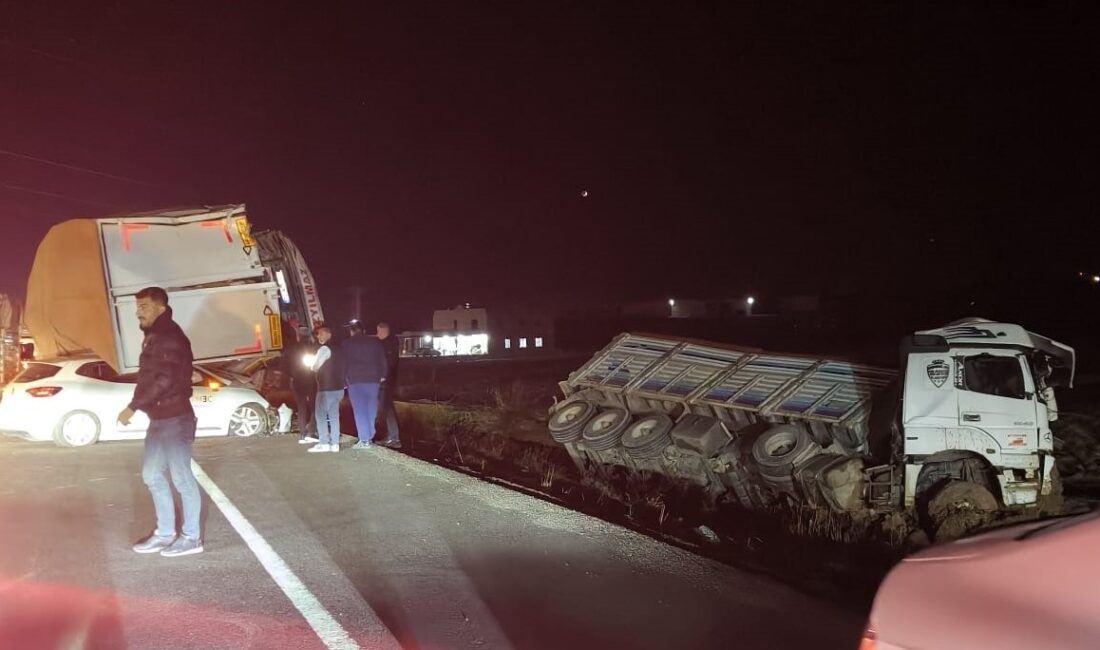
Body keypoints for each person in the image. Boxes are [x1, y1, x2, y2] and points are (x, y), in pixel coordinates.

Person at [119, 287, 203, 558]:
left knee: (181, 477)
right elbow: (147, 377)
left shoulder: (170, 337)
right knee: (152, 475)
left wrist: (133, 407)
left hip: (175, 418)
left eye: (144, 306)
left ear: (161, 308)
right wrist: (140, 403)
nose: (138, 312)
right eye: (138, 307)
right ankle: (165, 533)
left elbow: (164, 379)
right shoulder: (156, 336)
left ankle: (191, 538)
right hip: (159, 419)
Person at [341, 322, 388, 449]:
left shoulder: (346, 344)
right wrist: (383, 374)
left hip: (355, 380)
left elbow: (343, 363)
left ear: (351, 331)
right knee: (371, 407)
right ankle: (369, 435)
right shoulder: (375, 342)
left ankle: (364, 439)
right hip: (373, 379)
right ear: (364, 330)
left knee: (359, 409)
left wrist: (343, 380)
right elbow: (383, 360)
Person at [308, 325, 344, 453]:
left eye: (321, 334)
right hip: (339, 388)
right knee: (334, 415)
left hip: (326, 388)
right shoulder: (340, 349)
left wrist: (312, 365)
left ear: (328, 334)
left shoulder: (324, 349)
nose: (318, 336)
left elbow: (315, 366)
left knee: (320, 414)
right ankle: (335, 444)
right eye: (318, 334)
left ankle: (324, 442)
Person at [285, 327, 319, 444]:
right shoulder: (314, 348)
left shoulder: (291, 349)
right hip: (312, 381)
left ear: (298, 336)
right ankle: (312, 431)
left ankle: (303, 434)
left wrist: (292, 375)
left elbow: (284, 366)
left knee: (301, 407)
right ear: (310, 335)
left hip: (297, 381)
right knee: (315, 406)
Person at [376, 322, 402, 448]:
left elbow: (390, 363)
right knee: (386, 408)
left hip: (386, 382)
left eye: (378, 331)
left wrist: (383, 376)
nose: (377, 334)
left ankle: (394, 438)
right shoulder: (388, 343)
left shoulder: (388, 345)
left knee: (387, 409)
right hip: (387, 382)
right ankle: (391, 436)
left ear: (384, 331)